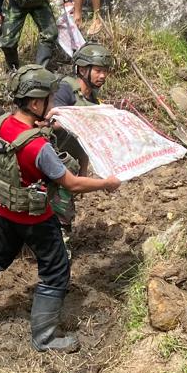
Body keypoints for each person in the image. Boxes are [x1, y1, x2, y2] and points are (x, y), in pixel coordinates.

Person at [0, 66, 120, 352]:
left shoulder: (3, 123)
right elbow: (71, 184)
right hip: (36, 219)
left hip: (5, 211)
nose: (52, 103)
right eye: (49, 99)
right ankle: (44, 337)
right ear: (34, 103)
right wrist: (105, 183)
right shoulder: (39, 148)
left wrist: (42, 125)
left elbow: (19, 143)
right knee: (56, 271)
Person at [48, 42, 114, 245]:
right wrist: (80, 119)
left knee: (63, 213)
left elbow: (85, 141)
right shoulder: (65, 89)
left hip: (69, 166)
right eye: (98, 70)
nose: (102, 76)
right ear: (83, 70)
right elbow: (52, 122)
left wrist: (83, 172)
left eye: (105, 71)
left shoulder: (93, 100)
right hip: (49, 161)